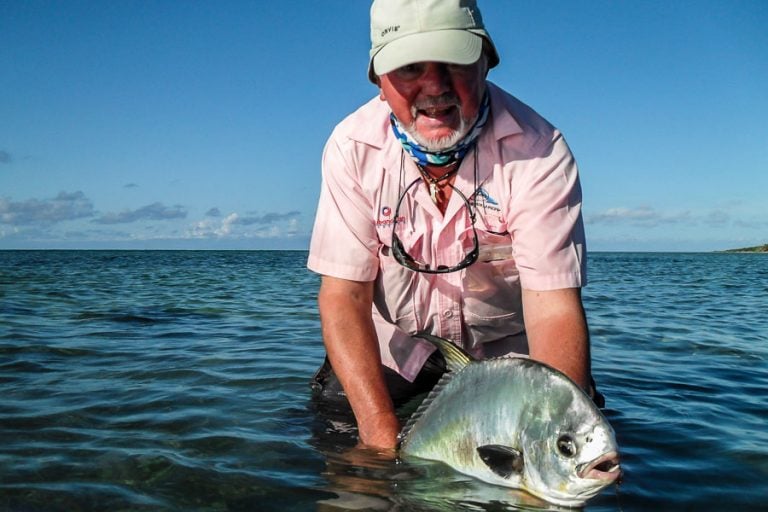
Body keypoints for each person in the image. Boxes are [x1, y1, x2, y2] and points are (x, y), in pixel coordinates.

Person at [308, 0, 600, 450]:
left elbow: (554, 306)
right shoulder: (351, 148)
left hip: (507, 359)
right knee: (350, 458)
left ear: (487, 61)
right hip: (396, 350)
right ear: (379, 81)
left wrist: (547, 436)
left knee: (574, 448)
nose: (434, 86)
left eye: (454, 62)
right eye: (409, 68)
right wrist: (380, 441)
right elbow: (344, 296)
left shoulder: (541, 151)